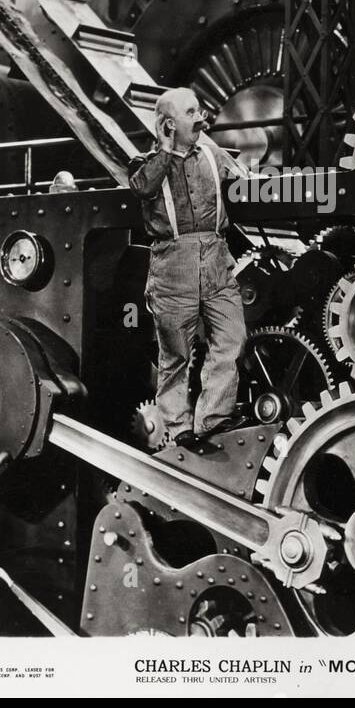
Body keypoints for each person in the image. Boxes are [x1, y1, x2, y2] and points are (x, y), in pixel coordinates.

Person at [128, 87, 250, 449]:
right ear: (168, 124)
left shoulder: (211, 154)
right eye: (191, 112)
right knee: (176, 354)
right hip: (173, 264)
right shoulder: (145, 163)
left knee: (231, 337)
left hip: (215, 258)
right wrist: (166, 149)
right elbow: (142, 186)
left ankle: (212, 419)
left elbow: (245, 181)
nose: (201, 118)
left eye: (199, 109)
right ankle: (178, 430)